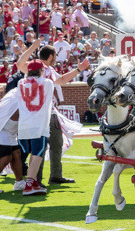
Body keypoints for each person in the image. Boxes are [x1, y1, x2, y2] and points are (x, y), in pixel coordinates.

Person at [16, 40, 89, 184]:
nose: (56, 58)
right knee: (40, 146)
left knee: (57, 143)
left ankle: (55, 175)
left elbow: (61, 80)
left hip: (51, 111)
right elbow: (19, 64)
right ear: (50, 56)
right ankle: (36, 178)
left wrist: (78, 70)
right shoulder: (35, 67)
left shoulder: (48, 69)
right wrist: (33, 47)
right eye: (55, 55)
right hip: (39, 113)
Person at [17, 60, 55, 196]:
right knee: (38, 154)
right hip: (38, 125)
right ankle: (29, 184)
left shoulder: (20, 82)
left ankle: (32, 182)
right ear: (40, 70)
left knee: (33, 154)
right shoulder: (48, 83)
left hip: (24, 124)